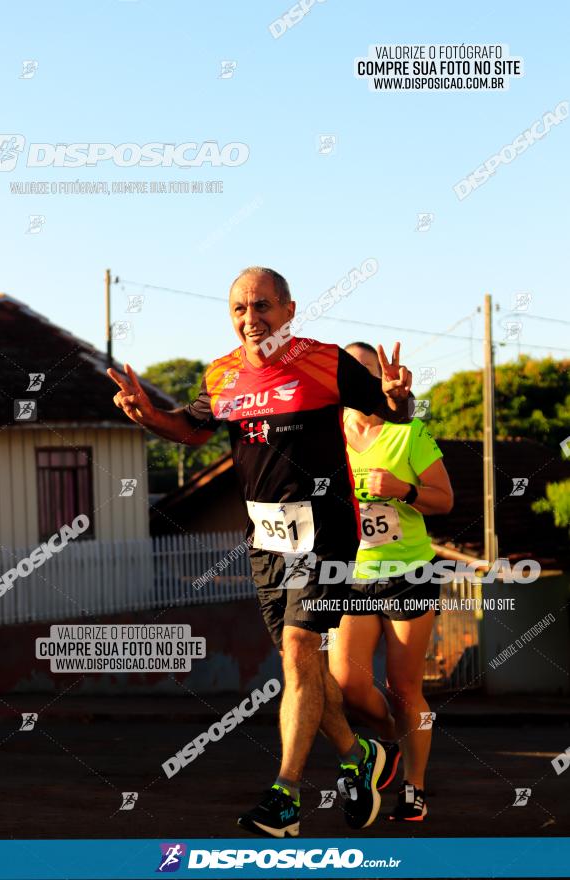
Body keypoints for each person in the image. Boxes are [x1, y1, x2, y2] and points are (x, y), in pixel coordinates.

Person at [108, 268, 413, 837]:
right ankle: (361, 756)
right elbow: (193, 431)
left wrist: (399, 397)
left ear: (290, 309)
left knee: (299, 652)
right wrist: (148, 415)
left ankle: (286, 799)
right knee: (305, 668)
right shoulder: (221, 374)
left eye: (263, 306)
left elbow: (391, 410)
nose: (252, 319)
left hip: (326, 528)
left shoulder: (325, 361)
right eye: (240, 309)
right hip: (266, 540)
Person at [329, 341, 454, 821]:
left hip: (409, 575)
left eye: (365, 372)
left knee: (404, 687)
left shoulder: (409, 433)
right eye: (347, 372)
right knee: (347, 683)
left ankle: (415, 787)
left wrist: (402, 490)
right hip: (353, 577)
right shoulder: (329, 436)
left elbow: (444, 501)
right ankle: (388, 745)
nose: (355, 380)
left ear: (380, 378)